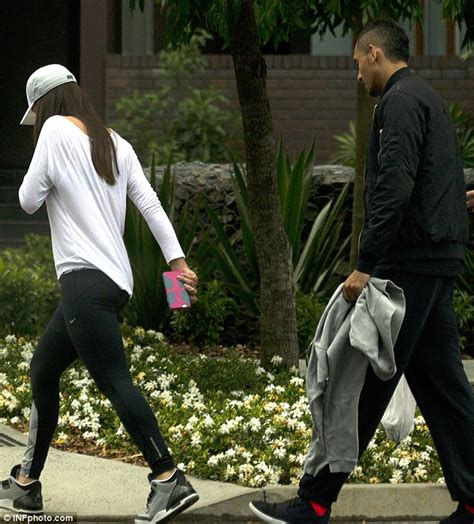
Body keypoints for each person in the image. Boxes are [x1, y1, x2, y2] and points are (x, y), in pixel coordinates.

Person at [249, 20, 474, 524]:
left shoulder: (396, 102)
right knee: (444, 388)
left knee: (358, 380)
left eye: (356, 64)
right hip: (436, 261)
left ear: (373, 53)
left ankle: (314, 501)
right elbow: (433, 178)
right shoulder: (429, 98)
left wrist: (365, 265)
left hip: (403, 268)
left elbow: (394, 185)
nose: (357, 77)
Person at [0, 64, 199, 524]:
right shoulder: (114, 141)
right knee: (43, 371)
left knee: (113, 380)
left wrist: (48, 175)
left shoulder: (50, 131)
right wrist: (178, 263)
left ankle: (168, 478)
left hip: (81, 281)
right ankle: (27, 483)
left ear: (44, 105)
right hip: (114, 282)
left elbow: (27, 200)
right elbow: (148, 202)